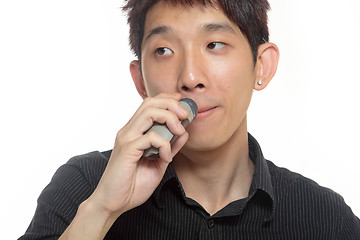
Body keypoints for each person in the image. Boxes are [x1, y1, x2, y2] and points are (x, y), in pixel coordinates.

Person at [19, 0, 360, 239]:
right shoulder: (85, 187)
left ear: (262, 66)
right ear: (140, 81)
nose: (190, 76)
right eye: (163, 51)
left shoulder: (324, 218)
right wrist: (102, 210)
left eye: (214, 44)